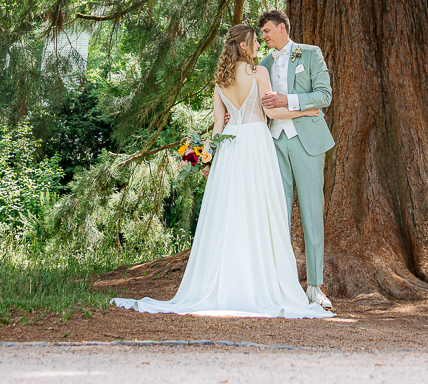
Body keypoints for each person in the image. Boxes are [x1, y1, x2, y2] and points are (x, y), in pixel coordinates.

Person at [110, 23, 334, 319]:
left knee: (231, 212)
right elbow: (271, 112)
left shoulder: (221, 80)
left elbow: (218, 123)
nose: (259, 45)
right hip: (256, 144)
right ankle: (261, 281)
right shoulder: (259, 72)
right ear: (243, 45)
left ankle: (229, 280)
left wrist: (209, 159)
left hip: (230, 146)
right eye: (255, 41)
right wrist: (306, 110)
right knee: (261, 212)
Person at [258, 9, 334, 311]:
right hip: (274, 143)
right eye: (261, 33)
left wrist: (287, 100)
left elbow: (324, 96)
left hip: (307, 142)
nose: (263, 36)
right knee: (278, 215)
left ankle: (315, 287)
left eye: (267, 31)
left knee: (312, 213)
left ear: (282, 28)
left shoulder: (310, 54)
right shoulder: (263, 66)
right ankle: (283, 285)